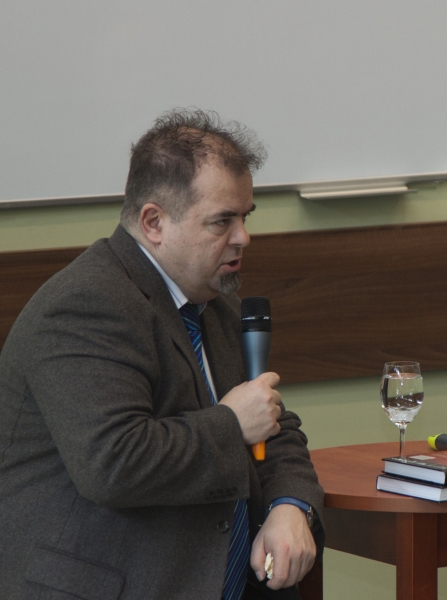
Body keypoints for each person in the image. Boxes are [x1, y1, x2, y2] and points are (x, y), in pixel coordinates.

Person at [0, 109, 323, 599]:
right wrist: (231, 424)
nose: (243, 237)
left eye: (245, 217)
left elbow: (272, 424)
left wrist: (290, 505)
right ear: (154, 222)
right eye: (222, 221)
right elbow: (114, 462)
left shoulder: (214, 304)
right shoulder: (86, 304)